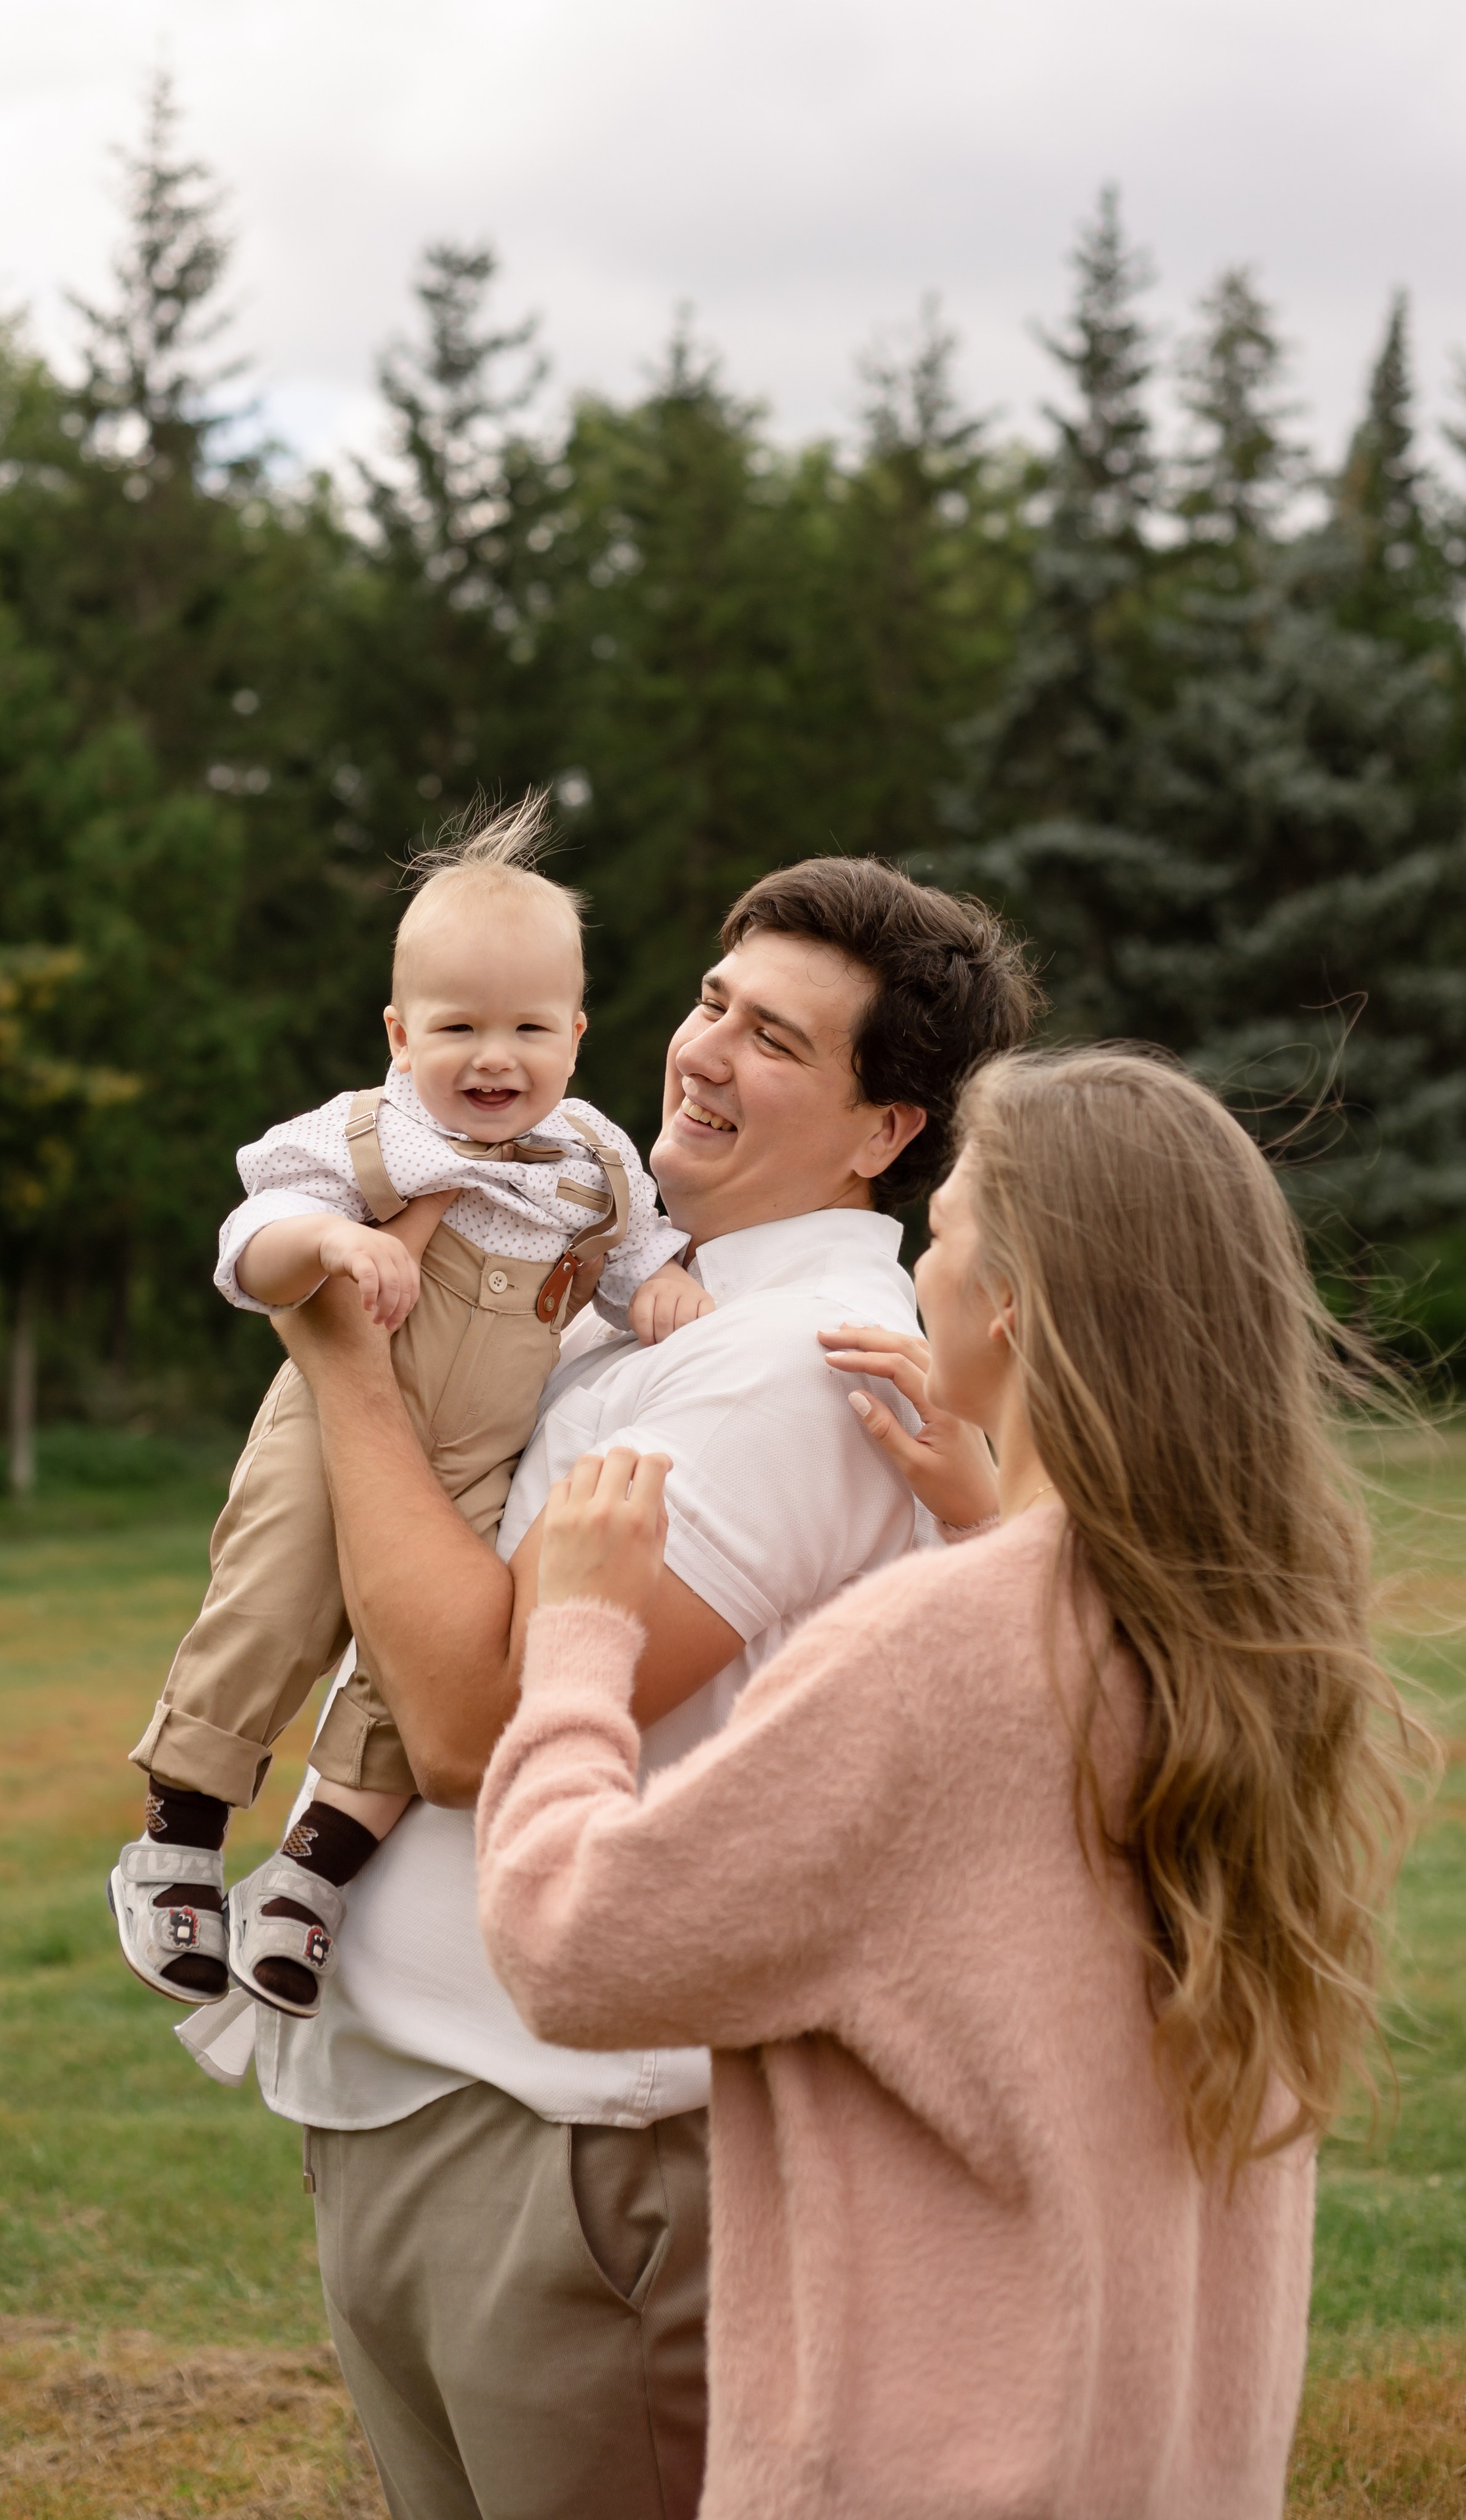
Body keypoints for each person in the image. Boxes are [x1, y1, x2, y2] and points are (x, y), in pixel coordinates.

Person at [189, 858, 1037, 2520]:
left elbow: (470, 1725)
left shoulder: (797, 1363)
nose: (703, 1051)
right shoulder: (636, 1300)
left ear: (882, 1129)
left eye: (774, 1039)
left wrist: (344, 1358)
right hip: (429, 2105)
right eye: (713, 1002)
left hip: (577, 2157)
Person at [474, 1045, 1422, 2520]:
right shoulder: (1245, 1640)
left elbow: (569, 1942)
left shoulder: (932, 1655)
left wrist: (581, 1633)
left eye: (949, 1227)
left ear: (1012, 1304)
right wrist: (995, 1527)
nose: (917, 1264)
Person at [110, 794, 706, 2019]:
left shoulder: (594, 1162)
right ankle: (178, 1838)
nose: (495, 1058)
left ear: (577, 1035)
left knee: (416, 1665)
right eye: (459, 1027)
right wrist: (331, 1240)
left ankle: (310, 1879)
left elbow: (641, 1253)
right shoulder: (368, 1136)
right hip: (328, 1435)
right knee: (268, 1609)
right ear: (399, 1032)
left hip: (475, 1462)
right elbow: (249, 1243)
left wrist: (665, 1287)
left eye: (528, 1028)